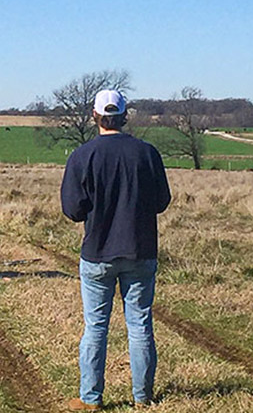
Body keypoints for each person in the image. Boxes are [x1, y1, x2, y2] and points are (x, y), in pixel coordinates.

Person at [61, 89, 171, 411]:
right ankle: (143, 398)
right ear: (125, 117)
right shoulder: (147, 153)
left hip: (97, 252)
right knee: (140, 324)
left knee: (96, 327)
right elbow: (161, 202)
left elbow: (73, 209)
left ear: (94, 116)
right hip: (141, 251)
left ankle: (91, 399)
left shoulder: (82, 156)